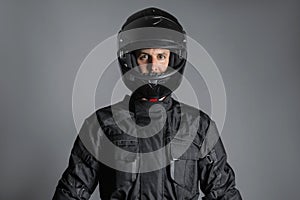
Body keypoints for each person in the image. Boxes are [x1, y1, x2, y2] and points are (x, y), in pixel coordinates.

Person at [53, 7, 242, 200]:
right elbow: (71, 193)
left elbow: (224, 194)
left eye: (161, 56)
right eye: (145, 56)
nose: (153, 65)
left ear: (174, 59)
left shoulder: (198, 125)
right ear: (131, 60)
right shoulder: (101, 125)